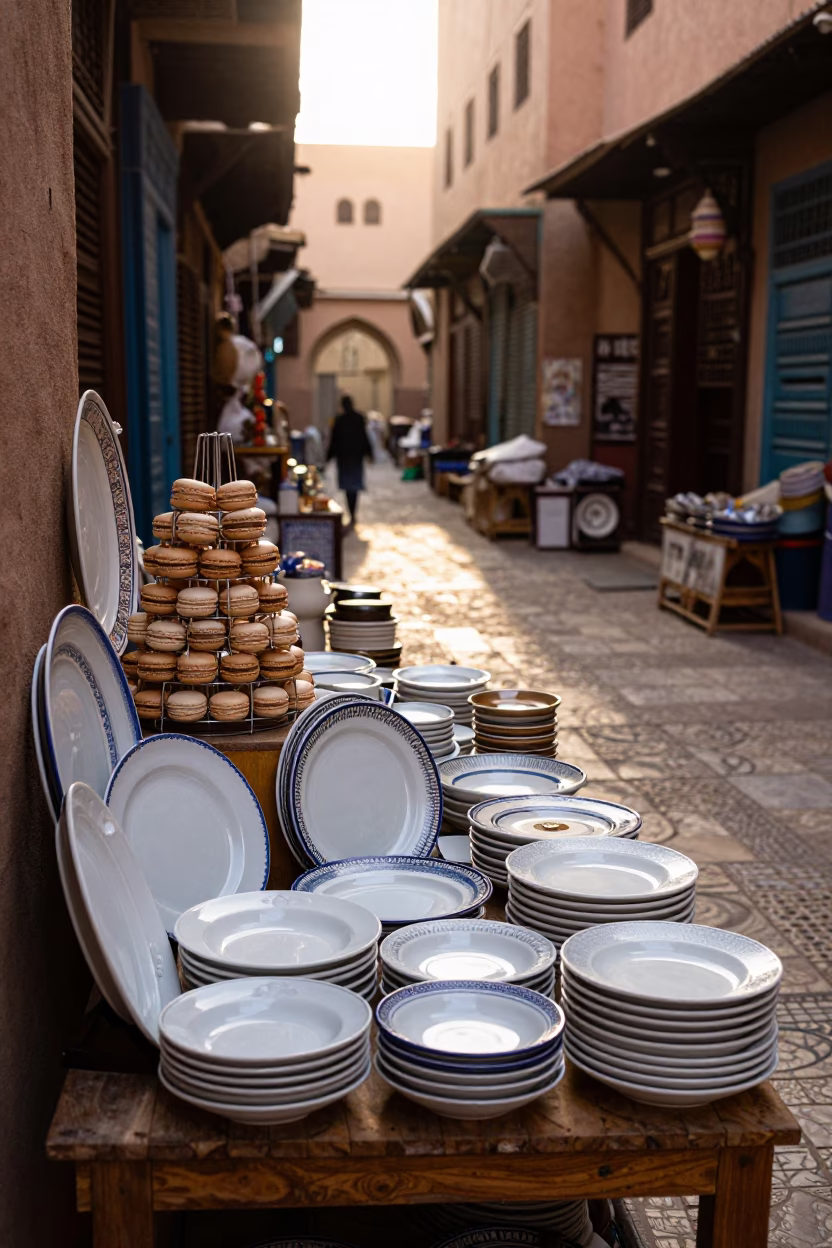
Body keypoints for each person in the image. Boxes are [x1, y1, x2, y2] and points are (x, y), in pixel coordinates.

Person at [326, 395, 373, 527]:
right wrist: (369, 453)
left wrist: (328, 457)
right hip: (355, 458)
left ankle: (352, 514)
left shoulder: (339, 420)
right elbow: (364, 437)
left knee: (349, 488)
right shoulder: (358, 418)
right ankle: (353, 514)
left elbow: (333, 442)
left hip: (345, 459)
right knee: (354, 487)